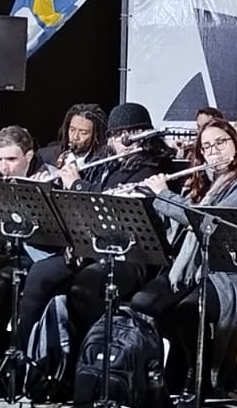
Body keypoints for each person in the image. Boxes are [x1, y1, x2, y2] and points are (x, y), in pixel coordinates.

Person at [129, 120, 237, 395]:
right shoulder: (201, 184)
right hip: (191, 269)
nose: (213, 151)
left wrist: (164, 196)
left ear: (235, 144)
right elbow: (178, 226)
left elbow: (210, 223)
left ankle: (201, 378)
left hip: (228, 274)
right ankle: (173, 369)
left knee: (189, 310)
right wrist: (147, 199)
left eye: (220, 143)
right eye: (206, 147)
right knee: (144, 303)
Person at [63, 103, 176, 348]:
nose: (123, 142)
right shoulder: (109, 163)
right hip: (101, 246)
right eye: (116, 135)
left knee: (86, 287)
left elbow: (113, 201)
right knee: (50, 278)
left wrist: (79, 186)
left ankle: (94, 358)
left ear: (145, 136)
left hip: (139, 256)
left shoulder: (154, 166)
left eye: (131, 134)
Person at [0, 127, 60, 365]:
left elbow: (57, 235)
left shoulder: (50, 178)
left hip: (40, 254)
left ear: (28, 155)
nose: (4, 167)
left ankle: (4, 358)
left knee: (4, 282)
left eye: (11, 159)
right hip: (5, 250)